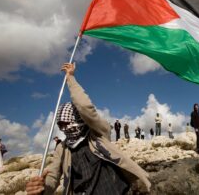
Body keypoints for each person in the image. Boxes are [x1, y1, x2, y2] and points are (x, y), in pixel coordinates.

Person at [25, 63, 150, 195]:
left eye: (67, 122)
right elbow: (53, 176)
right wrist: (43, 188)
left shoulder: (97, 134)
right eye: (61, 125)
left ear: (79, 119)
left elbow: (85, 108)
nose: (65, 128)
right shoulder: (62, 148)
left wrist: (70, 78)